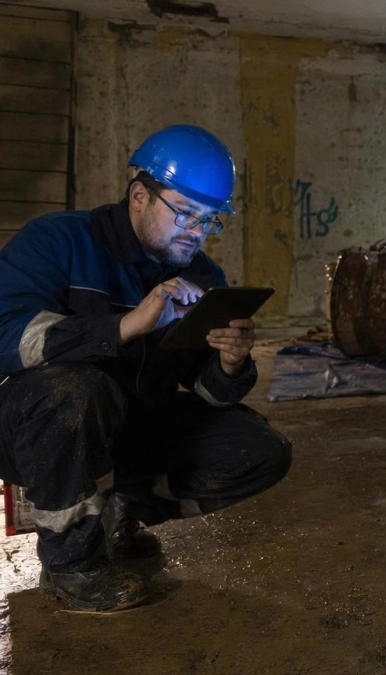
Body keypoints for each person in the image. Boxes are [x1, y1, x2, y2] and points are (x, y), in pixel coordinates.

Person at [0, 124, 293, 612]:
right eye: (186, 214)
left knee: (259, 449)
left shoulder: (201, 276)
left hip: (125, 430)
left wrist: (229, 362)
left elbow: (207, 396)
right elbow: (5, 334)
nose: (198, 231)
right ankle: (71, 567)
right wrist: (125, 325)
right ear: (140, 195)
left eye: (210, 220)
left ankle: (120, 510)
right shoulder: (58, 240)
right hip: (29, 432)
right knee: (78, 389)